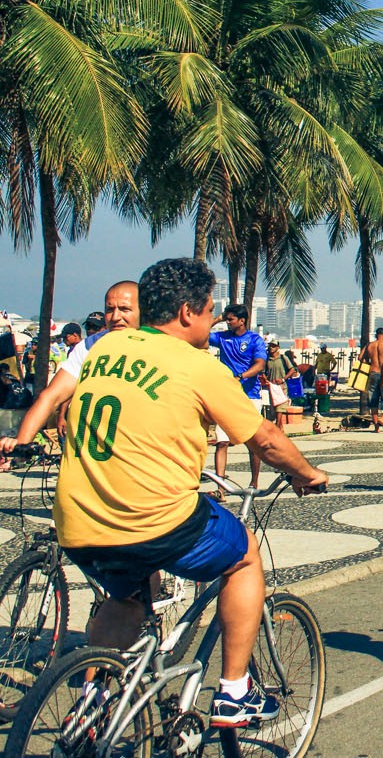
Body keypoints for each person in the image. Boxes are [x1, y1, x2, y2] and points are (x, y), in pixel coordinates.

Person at [7, 257, 328, 727]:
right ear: (185, 313)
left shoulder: (104, 349)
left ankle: (93, 700)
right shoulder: (197, 366)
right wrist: (307, 473)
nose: (213, 320)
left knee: (126, 598)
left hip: (77, 521)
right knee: (243, 555)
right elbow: (266, 439)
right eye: (209, 311)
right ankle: (235, 693)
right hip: (155, 521)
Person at [2, 281, 141, 456]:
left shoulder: (161, 345)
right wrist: (21, 442)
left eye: (125, 309)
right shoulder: (90, 346)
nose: (115, 316)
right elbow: (51, 397)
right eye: (109, 309)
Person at [209, 304, 268, 492]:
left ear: (242, 321)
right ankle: (220, 488)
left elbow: (259, 365)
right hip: (226, 395)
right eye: (226, 319)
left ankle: (254, 482)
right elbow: (199, 334)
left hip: (249, 396)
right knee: (222, 441)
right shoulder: (222, 338)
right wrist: (217, 319)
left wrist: (241, 376)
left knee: (252, 442)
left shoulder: (254, 340)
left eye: (230, 319)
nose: (227, 322)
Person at [360, 327, 383, 433]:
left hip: (372, 373)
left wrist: (368, 362)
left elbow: (360, 358)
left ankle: (376, 427)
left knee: (373, 401)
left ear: (376, 335)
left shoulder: (369, 345)